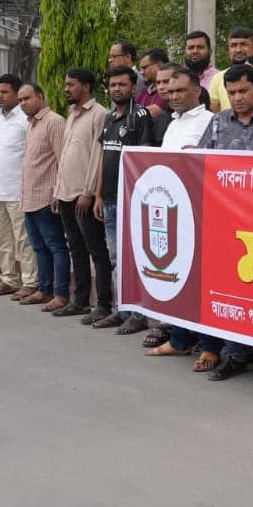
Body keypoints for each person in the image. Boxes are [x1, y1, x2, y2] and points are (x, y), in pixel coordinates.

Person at [174, 63, 253, 373]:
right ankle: (233, 354)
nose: (237, 97)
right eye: (232, 92)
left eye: (243, 91)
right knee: (225, 288)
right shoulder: (217, 122)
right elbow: (201, 163)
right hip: (221, 221)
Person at [95, 64, 157, 328]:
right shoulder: (109, 117)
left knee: (134, 257)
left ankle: (139, 315)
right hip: (108, 199)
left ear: (133, 87)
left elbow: (143, 160)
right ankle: (121, 309)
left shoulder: (140, 116)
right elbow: (103, 157)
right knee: (115, 258)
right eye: (112, 85)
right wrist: (97, 194)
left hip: (130, 200)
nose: (116, 89)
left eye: (122, 84)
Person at [51, 67, 110, 322]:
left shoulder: (100, 115)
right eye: (66, 84)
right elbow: (65, 155)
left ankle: (104, 304)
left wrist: (88, 192)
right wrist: (57, 190)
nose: (66, 89)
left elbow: (98, 157)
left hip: (83, 195)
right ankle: (81, 301)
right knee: (76, 248)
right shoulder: (72, 113)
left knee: (96, 250)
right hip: (65, 193)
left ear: (86, 87)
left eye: (71, 84)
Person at [17, 82, 72, 310]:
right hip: (30, 196)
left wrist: (58, 193)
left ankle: (61, 294)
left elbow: (63, 161)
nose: (23, 104)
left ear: (41, 96)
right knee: (38, 247)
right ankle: (45, 289)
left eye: (27, 98)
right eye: (20, 100)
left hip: (47, 196)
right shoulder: (31, 125)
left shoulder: (54, 122)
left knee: (56, 246)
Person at [0, 74, 34, 297]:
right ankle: (8, 279)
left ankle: (30, 282)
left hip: (17, 190)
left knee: (23, 240)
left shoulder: (25, 119)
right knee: (2, 239)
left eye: (4, 92)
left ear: (16, 94)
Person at [206, 26, 253, 111]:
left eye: (244, 44)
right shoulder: (218, 78)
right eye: (233, 46)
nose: (238, 50)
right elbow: (214, 113)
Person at [182, 31, 219, 108]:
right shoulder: (179, 79)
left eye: (200, 47)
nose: (195, 51)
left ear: (210, 52)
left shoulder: (219, 78)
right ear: (185, 52)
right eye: (191, 48)